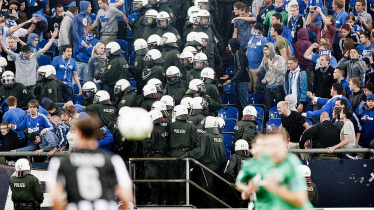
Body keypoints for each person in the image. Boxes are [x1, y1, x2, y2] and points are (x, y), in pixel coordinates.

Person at [47, 116, 133, 210]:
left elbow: (55, 197)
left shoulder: (60, 163)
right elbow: (126, 196)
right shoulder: (113, 160)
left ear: (79, 134)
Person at [236, 131, 311, 210]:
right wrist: (248, 190)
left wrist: (276, 188)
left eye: (276, 145)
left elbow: (301, 199)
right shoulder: (253, 167)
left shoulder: (289, 163)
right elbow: (244, 194)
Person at [183, 116, 226, 208]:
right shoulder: (220, 137)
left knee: (207, 189)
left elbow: (200, 152)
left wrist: (188, 153)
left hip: (206, 166)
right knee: (214, 188)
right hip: (218, 166)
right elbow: (223, 156)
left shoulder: (205, 136)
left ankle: (210, 208)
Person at [168, 105, 197, 205]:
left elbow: (167, 140)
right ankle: (183, 200)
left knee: (172, 177)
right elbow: (194, 142)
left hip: (172, 154)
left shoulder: (170, 126)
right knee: (184, 178)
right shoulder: (191, 127)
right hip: (185, 154)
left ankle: (172, 200)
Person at [143, 110, 169, 205]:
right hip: (162, 157)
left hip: (152, 157)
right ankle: (163, 200)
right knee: (162, 179)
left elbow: (148, 144)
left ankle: (155, 200)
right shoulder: (164, 129)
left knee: (152, 179)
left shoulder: (151, 130)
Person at [222, 38, 250, 112]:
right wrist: (229, 76)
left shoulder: (238, 53)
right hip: (240, 82)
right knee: (239, 103)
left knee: (243, 103)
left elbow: (240, 69)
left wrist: (231, 80)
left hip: (243, 82)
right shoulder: (238, 53)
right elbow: (238, 69)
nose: (228, 45)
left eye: (229, 44)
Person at [261, 43, 285, 112]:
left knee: (281, 107)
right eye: (264, 50)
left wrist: (272, 65)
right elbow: (268, 72)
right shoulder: (265, 60)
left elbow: (282, 72)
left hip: (277, 87)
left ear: (271, 49)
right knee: (267, 108)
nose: (265, 51)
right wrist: (265, 78)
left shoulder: (279, 58)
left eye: (266, 49)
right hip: (268, 87)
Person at [247, 23, 268, 92]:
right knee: (248, 89)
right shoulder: (251, 38)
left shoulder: (264, 40)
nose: (252, 29)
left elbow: (265, 56)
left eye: (254, 28)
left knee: (256, 89)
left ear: (258, 30)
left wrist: (260, 68)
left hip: (256, 68)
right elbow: (247, 51)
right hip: (248, 67)